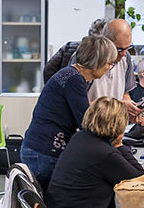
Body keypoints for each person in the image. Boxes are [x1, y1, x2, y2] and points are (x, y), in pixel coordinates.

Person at [45, 97, 144, 208]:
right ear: (118, 125)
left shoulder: (81, 137)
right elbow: (136, 177)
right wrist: (120, 144)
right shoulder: (104, 152)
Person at [20, 35, 116, 190]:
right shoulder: (75, 80)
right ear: (97, 61)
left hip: (36, 148)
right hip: (44, 153)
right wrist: (114, 148)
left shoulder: (70, 74)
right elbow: (86, 123)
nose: (109, 68)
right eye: (109, 63)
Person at [45, 18, 141, 120]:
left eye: (128, 48)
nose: (124, 53)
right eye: (119, 49)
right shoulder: (77, 72)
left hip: (106, 125)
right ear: (104, 42)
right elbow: (80, 105)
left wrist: (130, 109)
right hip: (90, 123)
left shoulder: (125, 58)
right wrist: (117, 106)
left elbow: (125, 93)